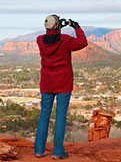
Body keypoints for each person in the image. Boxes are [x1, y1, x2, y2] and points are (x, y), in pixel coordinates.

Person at [34, 14, 88, 160]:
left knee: (44, 116)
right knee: (60, 118)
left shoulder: (40, 40)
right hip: (63, 83)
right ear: (58, 25)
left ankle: (39, 150)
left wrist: (57, 28)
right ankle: (58, 152)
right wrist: (76, 28)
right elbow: (83, 42)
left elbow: (51, 37)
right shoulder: (64, 40)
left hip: (46, 83)